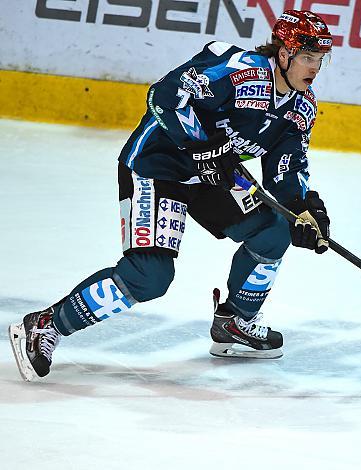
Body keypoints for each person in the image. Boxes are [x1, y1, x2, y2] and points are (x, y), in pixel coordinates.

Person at [8, 10, 333, 381]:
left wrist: (304, 209)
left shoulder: (300, 108)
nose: (314, 69)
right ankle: (46, 324)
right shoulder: (237, 69)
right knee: (150, 276)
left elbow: (286, 169)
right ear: (283, 53)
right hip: (158, 166)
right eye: (307, 58)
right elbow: (164, 97)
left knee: (274, 231)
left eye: (320, 60)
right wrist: (205, 149)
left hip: (212, 177)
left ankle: (235, 322)